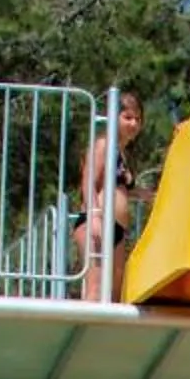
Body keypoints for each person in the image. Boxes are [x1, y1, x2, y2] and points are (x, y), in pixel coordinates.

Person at [77, 90, 146, 300]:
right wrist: (95, 216)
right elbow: (88, 181)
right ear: (113, 117)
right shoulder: (104, 145)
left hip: (116, 229)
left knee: (114, 295)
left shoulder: (121, 153)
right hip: (97, 224)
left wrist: (153, 195)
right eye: (128, 117)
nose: (133, 124)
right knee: (95, 291)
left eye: (138, 119)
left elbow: (122, 190)